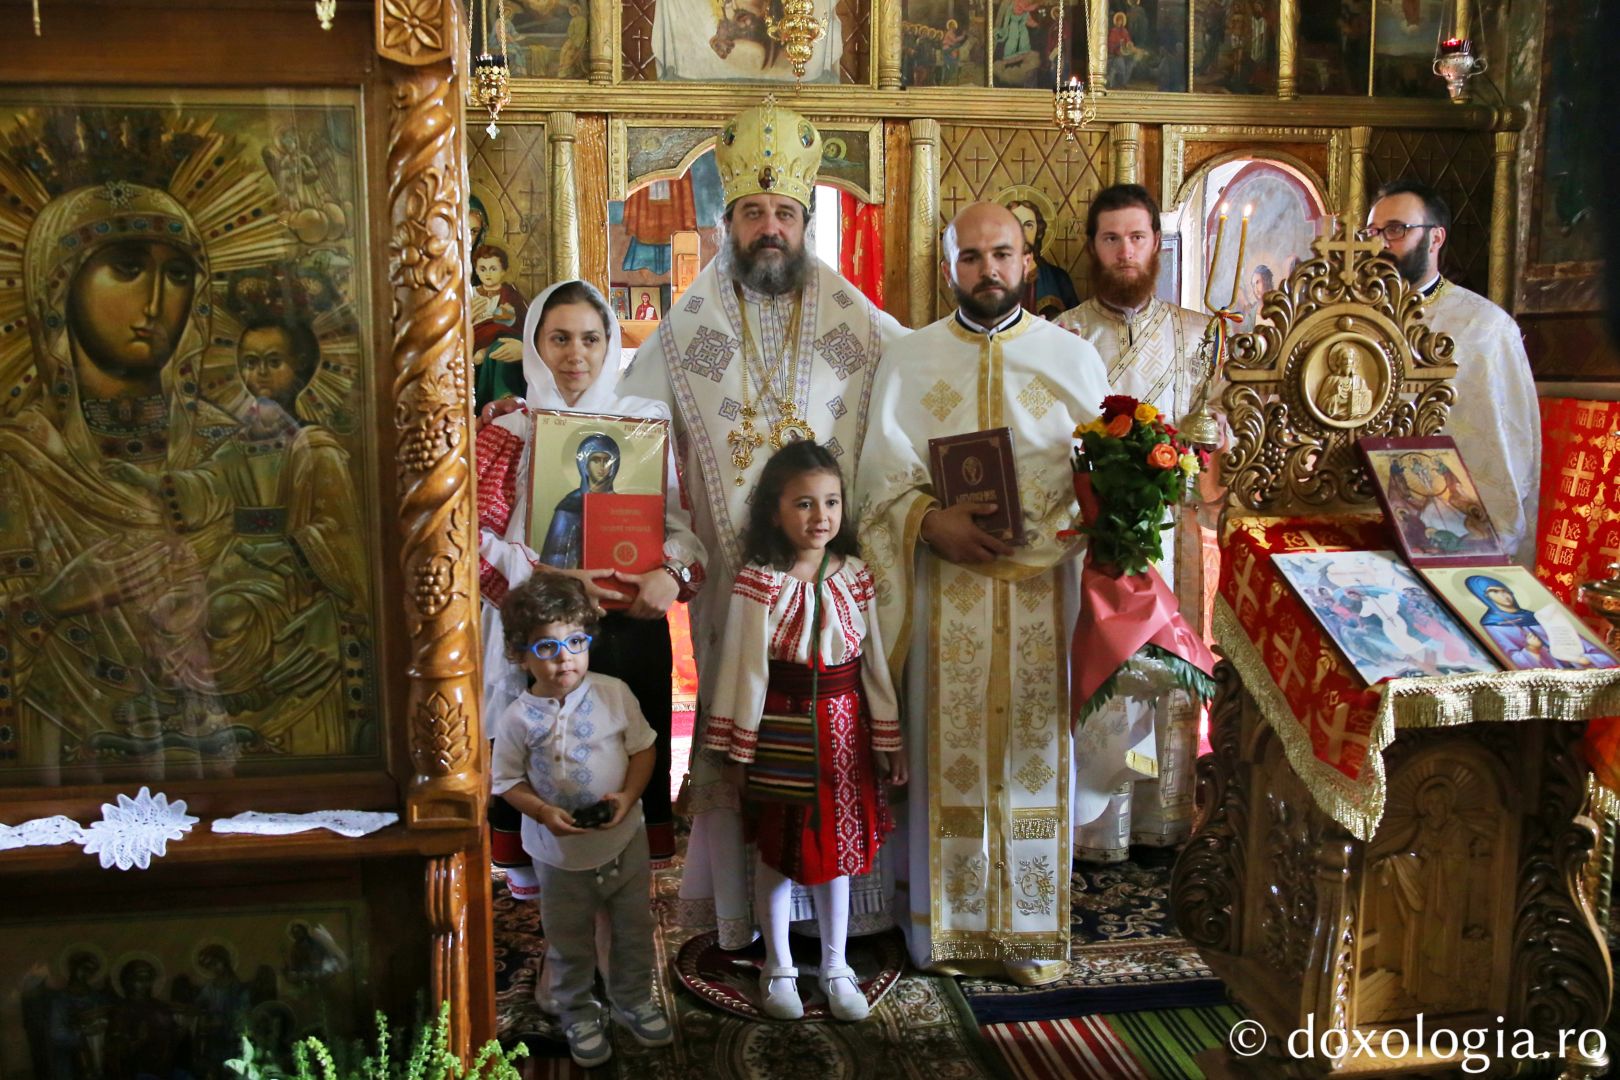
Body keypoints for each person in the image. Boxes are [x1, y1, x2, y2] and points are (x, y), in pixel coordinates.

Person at [618, 99, 904, 950]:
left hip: (834, 589)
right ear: (727, 221)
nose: (768, 228)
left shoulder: (860, 323)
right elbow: (635, 441)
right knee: (747, 747)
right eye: (752, 212)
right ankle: (749, 927)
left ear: (805, 221)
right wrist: (664, 548)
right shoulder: (685, 330)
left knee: (836, 742)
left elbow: (911, 413)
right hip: (737, 599)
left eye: (784, 213)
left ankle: (844, 928)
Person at [859, 201, 1110, 984]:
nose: (988, 270)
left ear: (1027, 262)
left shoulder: (1073, 359)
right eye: (971, 257)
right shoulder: (909, 359)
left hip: (1047, 594)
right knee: (952, 760)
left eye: (1002, 254)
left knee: (1035, 755)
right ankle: (950, 933)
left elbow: (1106, 470)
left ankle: (1030, 934)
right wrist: (931, 522)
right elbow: (876, 481)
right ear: (949, 268)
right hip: (946, 593)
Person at [0, 181, 243, 772]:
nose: (157, 302)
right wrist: (52, 605)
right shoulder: (19, 461)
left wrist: (239, 617)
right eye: (127, 268)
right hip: (58, 762)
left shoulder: (230, 446)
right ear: (60, 284)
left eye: (179, 276)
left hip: (228, 768)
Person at [478, 280, 705, 885]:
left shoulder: (642, 427)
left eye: (590, 338)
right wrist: (548, 575)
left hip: (627, 629)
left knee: (623, 746)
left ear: (610, 346)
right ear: (534, 345)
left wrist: (671, 572)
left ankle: (621, 878)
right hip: (541, 631)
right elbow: (470, 537)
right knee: (541, 753)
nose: (575, 354)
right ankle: (545, 891)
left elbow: (682, 527)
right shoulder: (511, 430)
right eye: (559, 338)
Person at [705, 441, 905, 1021]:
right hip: (779, 732)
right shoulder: (759, 581)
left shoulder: (858, 576)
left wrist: (887, 739)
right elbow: (745, 669)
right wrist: (739, 753)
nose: (820, 518)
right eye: (803, 504)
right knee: (779, 849)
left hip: (846, 734)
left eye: (831, 502)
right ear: (774, 511)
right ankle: (779, 965)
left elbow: (874, 664)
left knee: (836, 851)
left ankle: (837, 964)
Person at [1056, 183, 1219, 862]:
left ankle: (1162, 816)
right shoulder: (1062, 334)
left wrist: (1198, 453)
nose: (1126, 253)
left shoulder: (1199, 334)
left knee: (1167, 671)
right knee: (1105, 668)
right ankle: (1096, 825)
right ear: (1093, 247)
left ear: (1158, 243)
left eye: (1139, 237)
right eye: (1112, 239)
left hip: (1174, 533)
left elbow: (1212, 428)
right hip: (1091, 536)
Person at [489, 575, 675, 1067]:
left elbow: (643, 749)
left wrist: (630, 795)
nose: (565, 657)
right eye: (547, 646)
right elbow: (507, 781)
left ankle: (633, 999)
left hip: (624, 842)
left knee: (633, 928)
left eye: (575, 642)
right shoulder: (517, 719)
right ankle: (576, 1012)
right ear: (519, 654)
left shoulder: (615, 694)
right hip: (559, 856)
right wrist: (543, 812)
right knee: (568, 940)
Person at [1364, 180, 1540, 565]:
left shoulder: (1485, 328)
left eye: (1396, 230)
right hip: (1359, 515)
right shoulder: (1350, 318)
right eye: (1373, 232)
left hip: (1452, 526)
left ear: (1436, 237)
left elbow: (1507, 442)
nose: (1380, 243)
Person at [1464, 574, 1613, 669]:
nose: (1504, 595)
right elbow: (1507, 663)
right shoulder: (1493, 625)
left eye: (1505, 590)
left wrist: (1586, 659)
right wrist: (1531, 650)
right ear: (1484, 597)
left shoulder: (1541, 616)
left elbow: (1586, 647)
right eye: (1495, 591)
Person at [540, 433, 621, 568]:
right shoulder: (569, 505)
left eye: (606, 461)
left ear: (613, 466)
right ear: (584, 465)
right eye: (595, 460)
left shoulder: (622, 506)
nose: (601, 466)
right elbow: (554, 556)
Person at [471, 244, 529, 412]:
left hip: (503, 339)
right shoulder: (470, 294)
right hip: (473, 344)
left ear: (503, 271)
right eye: (482, 269)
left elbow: (511, 326)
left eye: (493, 268)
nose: (488, 273)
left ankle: (506, 396)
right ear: (476, 270)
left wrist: (486, 347)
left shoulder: (510, 294)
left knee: (501, 346)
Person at [1006, 199, 1079, 318]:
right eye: (1016, 224)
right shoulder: (994, 278)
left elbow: (1075, 322)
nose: (1023, 231)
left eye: (1029, 225)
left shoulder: (1058, 278)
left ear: (1038, 231)